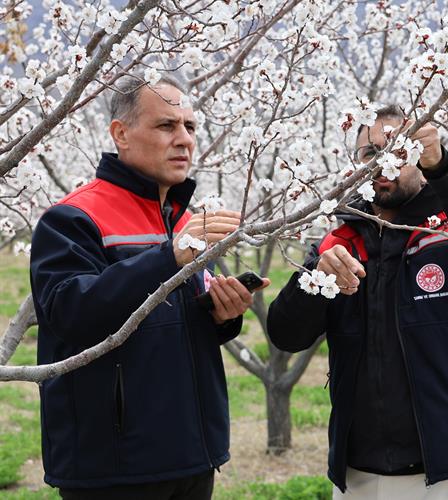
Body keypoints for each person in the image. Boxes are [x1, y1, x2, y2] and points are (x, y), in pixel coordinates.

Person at [29, 75, 268, 499]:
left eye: (190, 127)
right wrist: (167, 256)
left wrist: (219, 315)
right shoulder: (72, 219)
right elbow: (69, 313)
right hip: (117, 467)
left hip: (193, 454)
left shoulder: (180, 218)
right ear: (120, 133)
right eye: (166, 126)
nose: (184, 140)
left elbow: (170, 323)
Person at [267, 105, 448, 499]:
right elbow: (285, 334)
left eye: (399, 151)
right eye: (370, 154)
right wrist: (313, 281)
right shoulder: (341, 241)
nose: (383, 163)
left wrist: (445, 167)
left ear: (421, 159)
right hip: (358, 470)